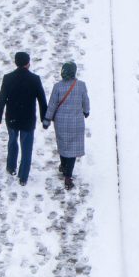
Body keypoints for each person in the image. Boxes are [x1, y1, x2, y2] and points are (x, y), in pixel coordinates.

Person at [0, 51, 47, 186]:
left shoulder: (8, 78)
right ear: (28, 63)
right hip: (27, 120)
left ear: (15, 63)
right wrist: (44, 119)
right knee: (27, 148)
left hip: (12, 118)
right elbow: (42, 101)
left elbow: (1, 100)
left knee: (12, 142)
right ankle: (23, 177)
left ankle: (11, 167)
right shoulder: (35, 79)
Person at [43, 62, 90, 191]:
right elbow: (85, 101)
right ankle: (68, 177)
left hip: (61, 123)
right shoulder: (81, 86)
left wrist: (47, 120)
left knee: (63, 145)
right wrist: (86, 112)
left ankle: (63, 165)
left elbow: (52, 104)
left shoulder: (57, 87)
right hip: (76, 123)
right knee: (72, 150)